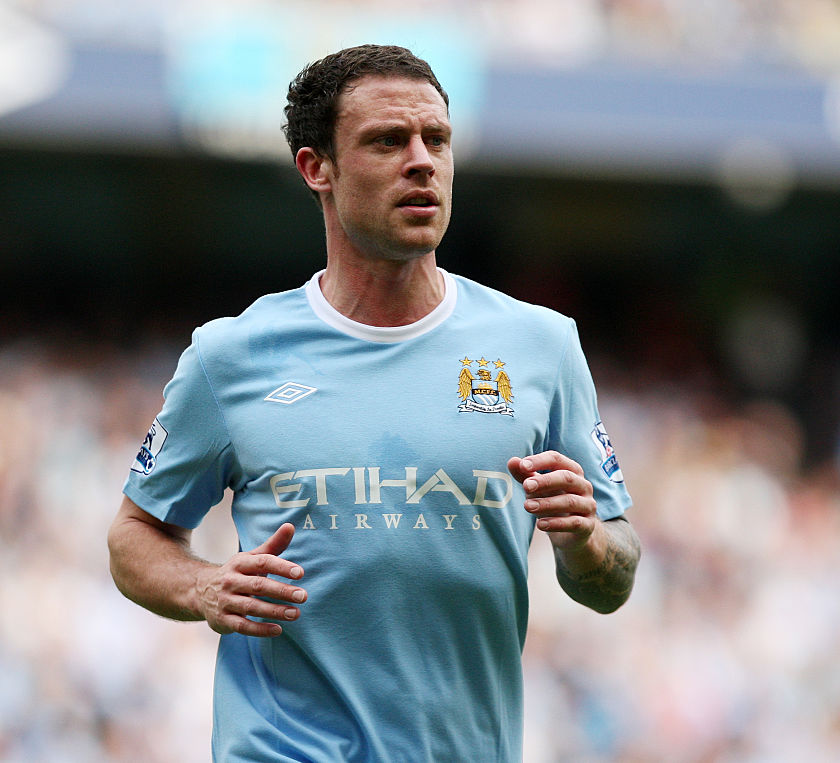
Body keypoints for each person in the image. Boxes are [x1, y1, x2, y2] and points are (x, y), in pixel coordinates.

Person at [107, 44, 641, 762]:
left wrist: (585, 541)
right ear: (315, 168)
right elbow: (134, 536)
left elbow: (613, 576)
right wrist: (203, 584)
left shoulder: (540, 345)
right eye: (388, 141)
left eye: (438, 140)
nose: (422, 161)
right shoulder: (230, 356)